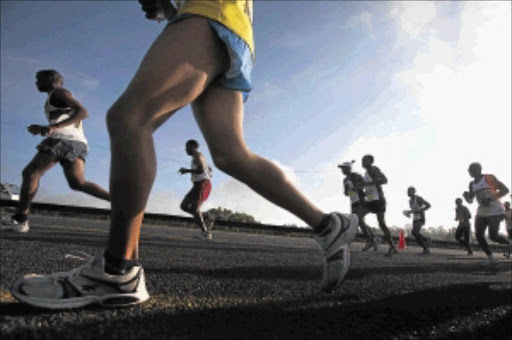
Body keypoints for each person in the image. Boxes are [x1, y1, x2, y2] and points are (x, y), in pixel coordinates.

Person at [10, 0, 359, 309]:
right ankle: (328, 224)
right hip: (236, 32)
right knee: (230, 154)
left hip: (210, 15)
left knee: (130, 118)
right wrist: (170, 8)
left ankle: (117, 270)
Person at [1, 70, 110, 233]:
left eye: (38, 79)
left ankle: (19, 220)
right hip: (78, 142)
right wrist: (42, 128)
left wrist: (55, 127)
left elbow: (83, 112)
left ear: (50, 79)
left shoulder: (58, 93)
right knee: (77, 183)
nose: (36, 82)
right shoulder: (56, 97)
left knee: (31, 173)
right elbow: (68, 117)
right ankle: (119, 201)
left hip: (63, 139)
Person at [463, 162, 510, 266]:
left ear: (479, 170)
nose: (470, 172)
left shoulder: (489, 178)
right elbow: (471, 201)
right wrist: (466, 197)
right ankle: (491, 258)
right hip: (482, 211)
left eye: (472, 170)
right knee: (479, 234)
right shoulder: (471, 184)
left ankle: (509, 244)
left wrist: (490, 198)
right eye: (469, 170)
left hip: (494, 210)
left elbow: (505, 190)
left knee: (493, 236)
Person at [360, 154, 397, 257]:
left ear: (371, 161)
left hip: (378, 200)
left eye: (364, 160)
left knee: (381, 223)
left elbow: (384, 180)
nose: (362, 162)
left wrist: (368, 184)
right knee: (358, 217)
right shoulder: (366, 173)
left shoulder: (374, 169)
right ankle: (372, 240)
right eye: (362, 160)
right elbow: (367, 187)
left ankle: (392, 246)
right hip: (370, 200)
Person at [179, 139, 214, 240]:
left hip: (203, 184)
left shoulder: (198, 156)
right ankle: (206, 216)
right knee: (184, 206)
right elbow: (206, 169)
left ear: (193, 147)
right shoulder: (198, 157)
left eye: (187, 147)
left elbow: (201, 169)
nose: (186, 149)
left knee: (195, 208)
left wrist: (186, 170)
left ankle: (205, 233)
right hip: (197, 184)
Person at [339, 161, 378, 251]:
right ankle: (372, 240)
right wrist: (349, 190)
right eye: (341, 168)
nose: (342, 170)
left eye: (343, 168)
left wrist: (355, 188)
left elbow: (362, 187)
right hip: (353, 202)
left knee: (356, 221)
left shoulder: (356, 176)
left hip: (361, 201)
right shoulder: (345, 180)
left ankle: (346, 243)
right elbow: (346, 193)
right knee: (360, 222)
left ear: (348, 168)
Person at [403, 186, 431, 254]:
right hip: (415, 218)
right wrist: (407, 212)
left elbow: (428, 205)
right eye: (407, 191)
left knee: (415, 232)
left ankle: (426, 247)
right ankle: (425, 242)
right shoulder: (410, 201)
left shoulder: (418, 198)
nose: (408, 193)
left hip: (421, 217)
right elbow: (414, 210)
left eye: (409, 191)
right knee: (414, 233)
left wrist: (421, 210)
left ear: (414, 192)